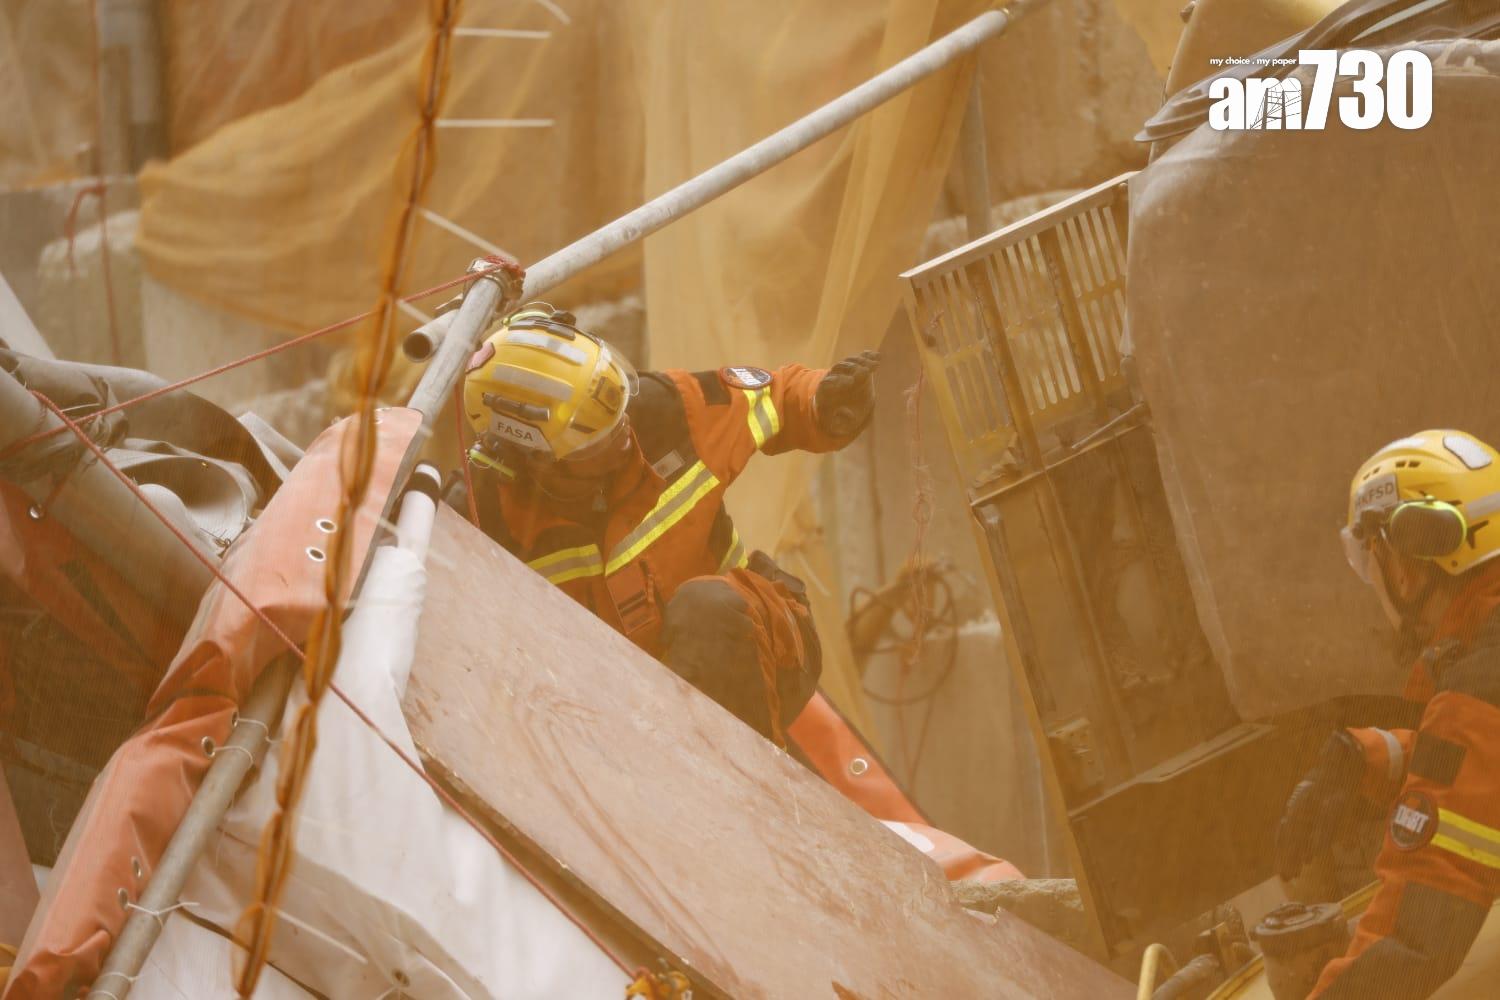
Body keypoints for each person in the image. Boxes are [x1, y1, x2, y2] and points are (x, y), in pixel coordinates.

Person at [459, 302, 879, 744]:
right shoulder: (484, 513)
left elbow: (775, 396)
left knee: (707, 607)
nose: (622, 432)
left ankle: (741, 792)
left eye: (615, 406)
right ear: (535, 459)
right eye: (595, 435)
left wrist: (824, 401)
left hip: (760, 651)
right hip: (624, 721)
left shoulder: (665, 411)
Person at [1276, 429, 1500, 999]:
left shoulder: (1481, 684)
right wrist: (1367, 757)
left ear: (1402, 565)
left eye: (1367, 559)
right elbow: (1478, 766)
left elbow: (1415, 939)